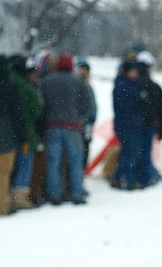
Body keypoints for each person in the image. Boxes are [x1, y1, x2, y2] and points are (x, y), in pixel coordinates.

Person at [38, 53, 95, 205]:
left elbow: (41, 104)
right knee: (75, 161)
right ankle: (75, 192)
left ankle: (54, 194)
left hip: (53, 126)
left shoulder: (47, 81)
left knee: (53, 162)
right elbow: (88, 105)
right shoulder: (79, 82)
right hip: (73, 127)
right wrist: (78, 116)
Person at [8, 55, 43, 210]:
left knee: (11, 166)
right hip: (26, 132)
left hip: (9, 132)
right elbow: (36, 110)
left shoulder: (7, 80)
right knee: (24, 164)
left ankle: (7, 195)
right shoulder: (26, 87)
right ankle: (19, 198)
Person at [111, 59, 149, 190]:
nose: (136, 73)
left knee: (129, 152)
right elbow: (124, 106)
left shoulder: (131, 84)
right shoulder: (122, 86)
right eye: (133, 71)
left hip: (132, 124)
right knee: (130, 153)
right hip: (126, 125)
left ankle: (118, 178)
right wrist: (139, 100)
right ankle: (128, 181)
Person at [0, 58, 29, 215]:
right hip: (6, 136)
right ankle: (2, 207)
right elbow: (18, 114)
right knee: (3, 173)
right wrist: (23, 137)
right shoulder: (11, 87)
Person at [137, 51, 162, 187]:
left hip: (136, 126)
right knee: (146, 152)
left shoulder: (132, 86)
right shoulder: (155, 87)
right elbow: (161, 110)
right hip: (150, 125)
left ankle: (140, 176)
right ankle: (145, 177)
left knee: (137, 152)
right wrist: (160, 130)